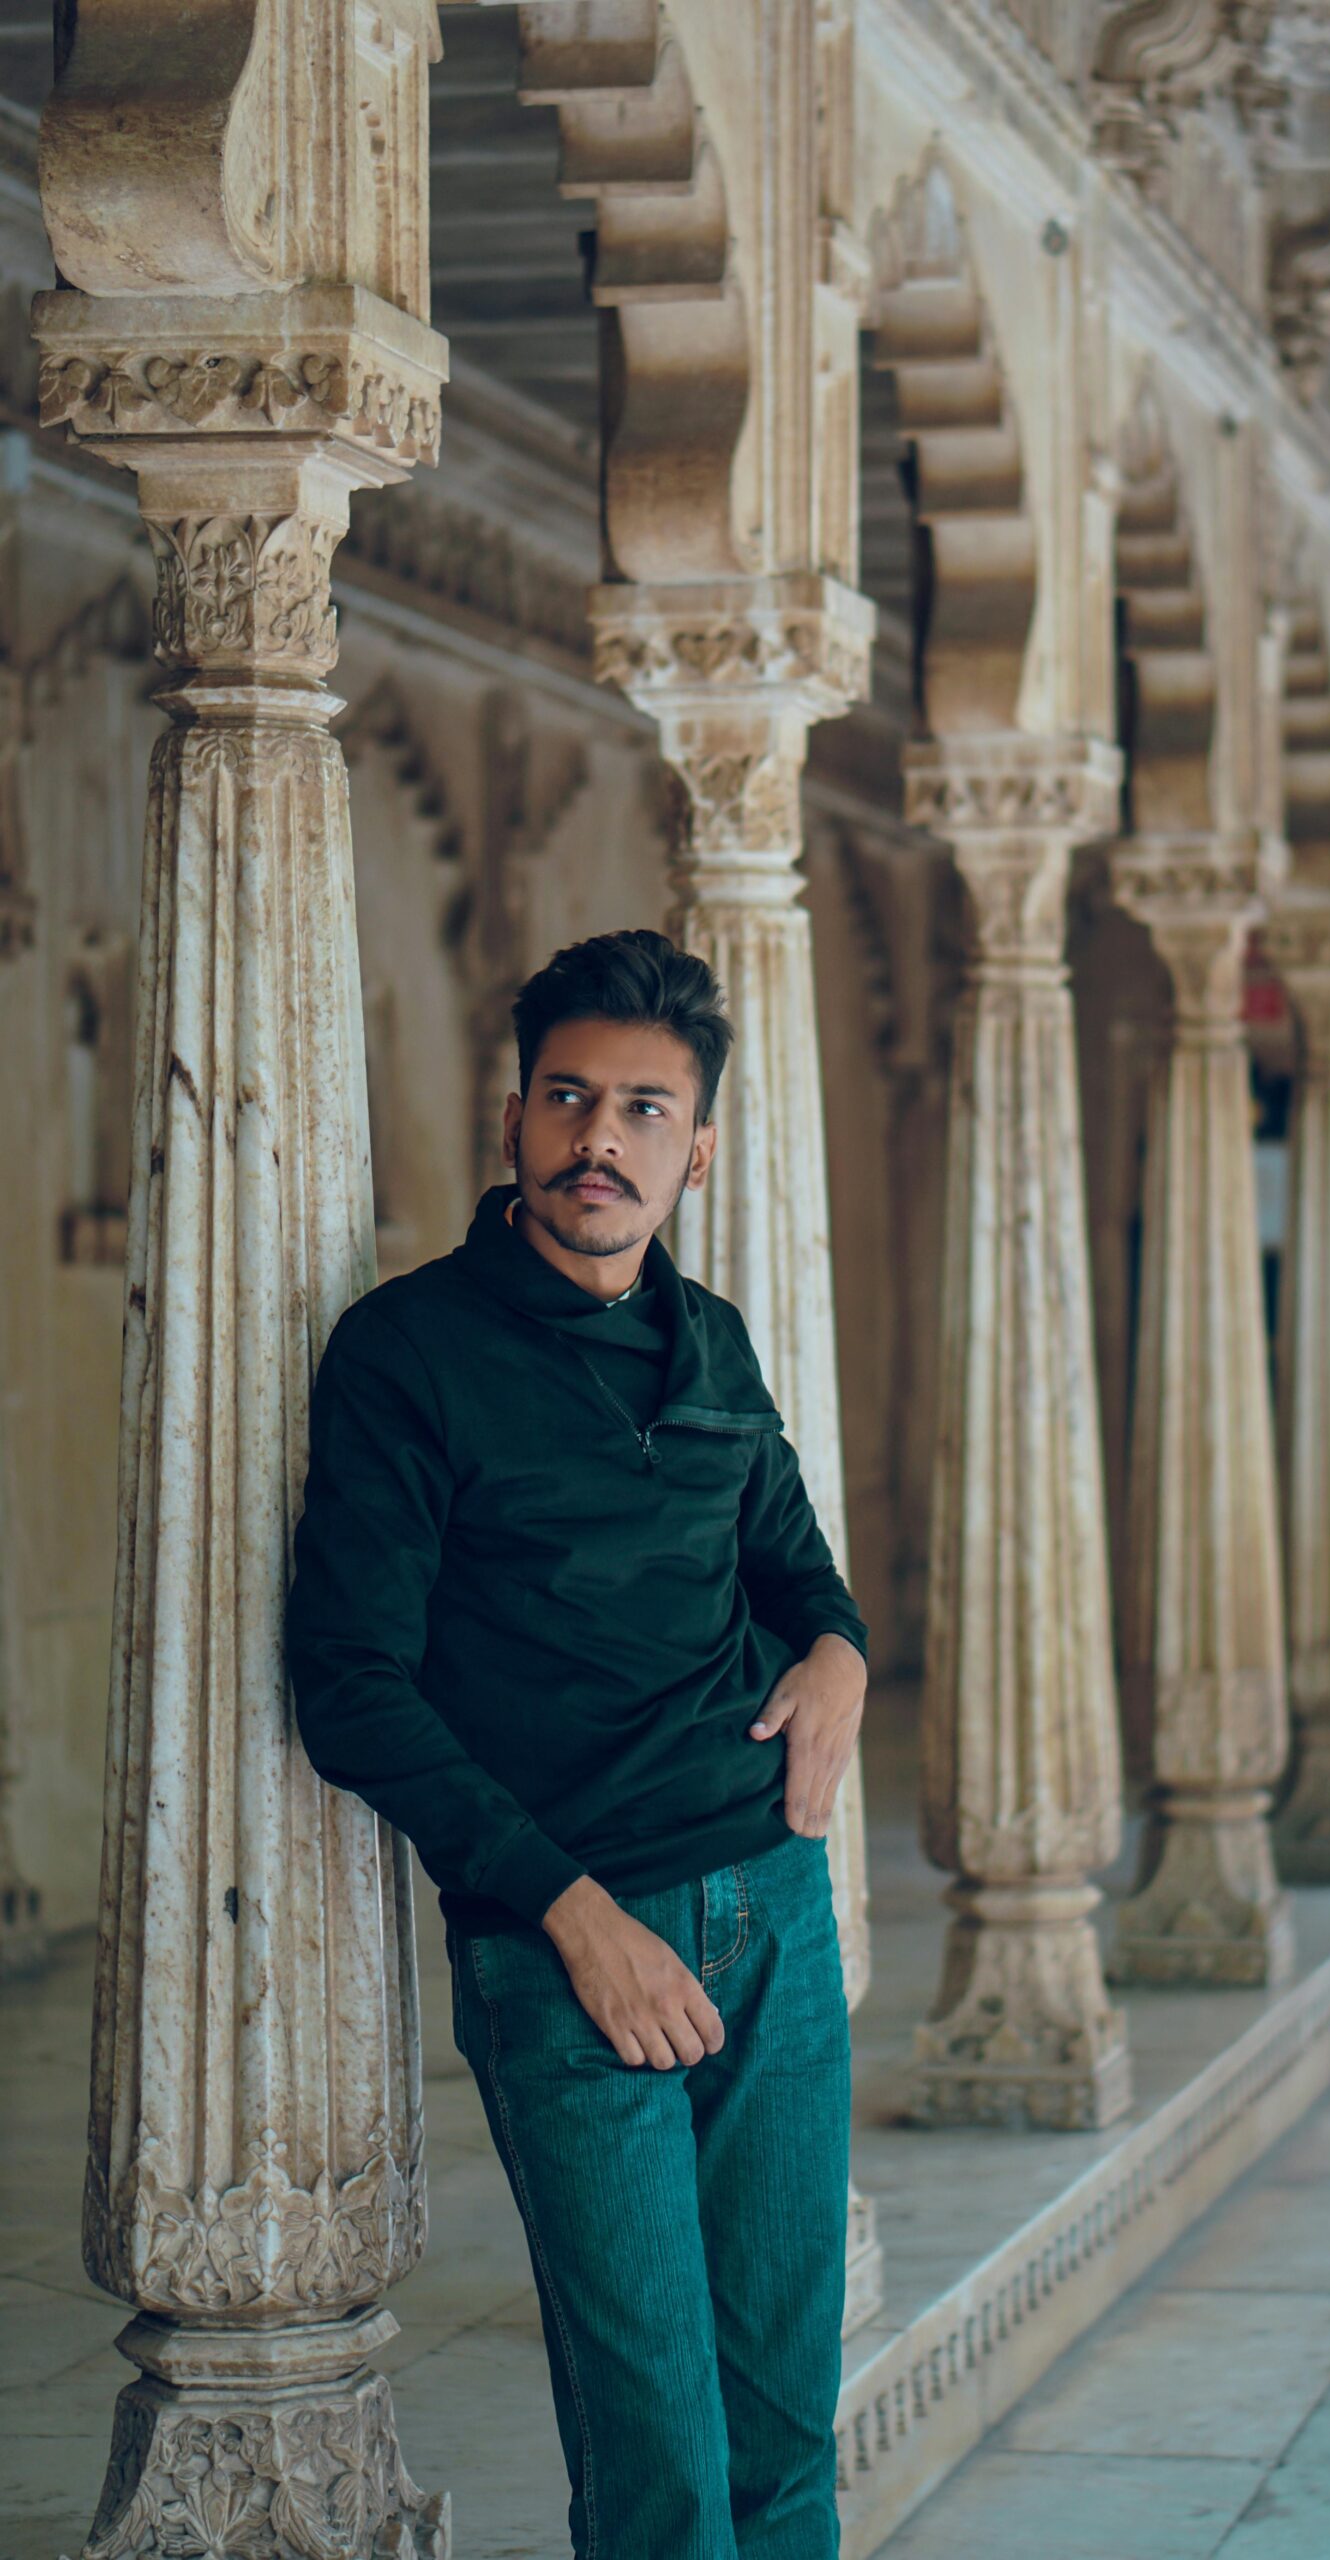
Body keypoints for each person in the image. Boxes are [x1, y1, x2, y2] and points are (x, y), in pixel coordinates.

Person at [287, 929, 868, 2560]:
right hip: (574, 1951)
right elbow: (349, 1683)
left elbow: (803, 1578)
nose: (597, 1138)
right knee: (663, 2465)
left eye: (641, 1108)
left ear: (695, 1146)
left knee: (784, 2432)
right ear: (515, 1120)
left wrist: (843, 1657)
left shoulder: (716, 1345)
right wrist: (568, 1911)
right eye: (566, 1097)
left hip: (774, 1926)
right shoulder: (409, 1356)